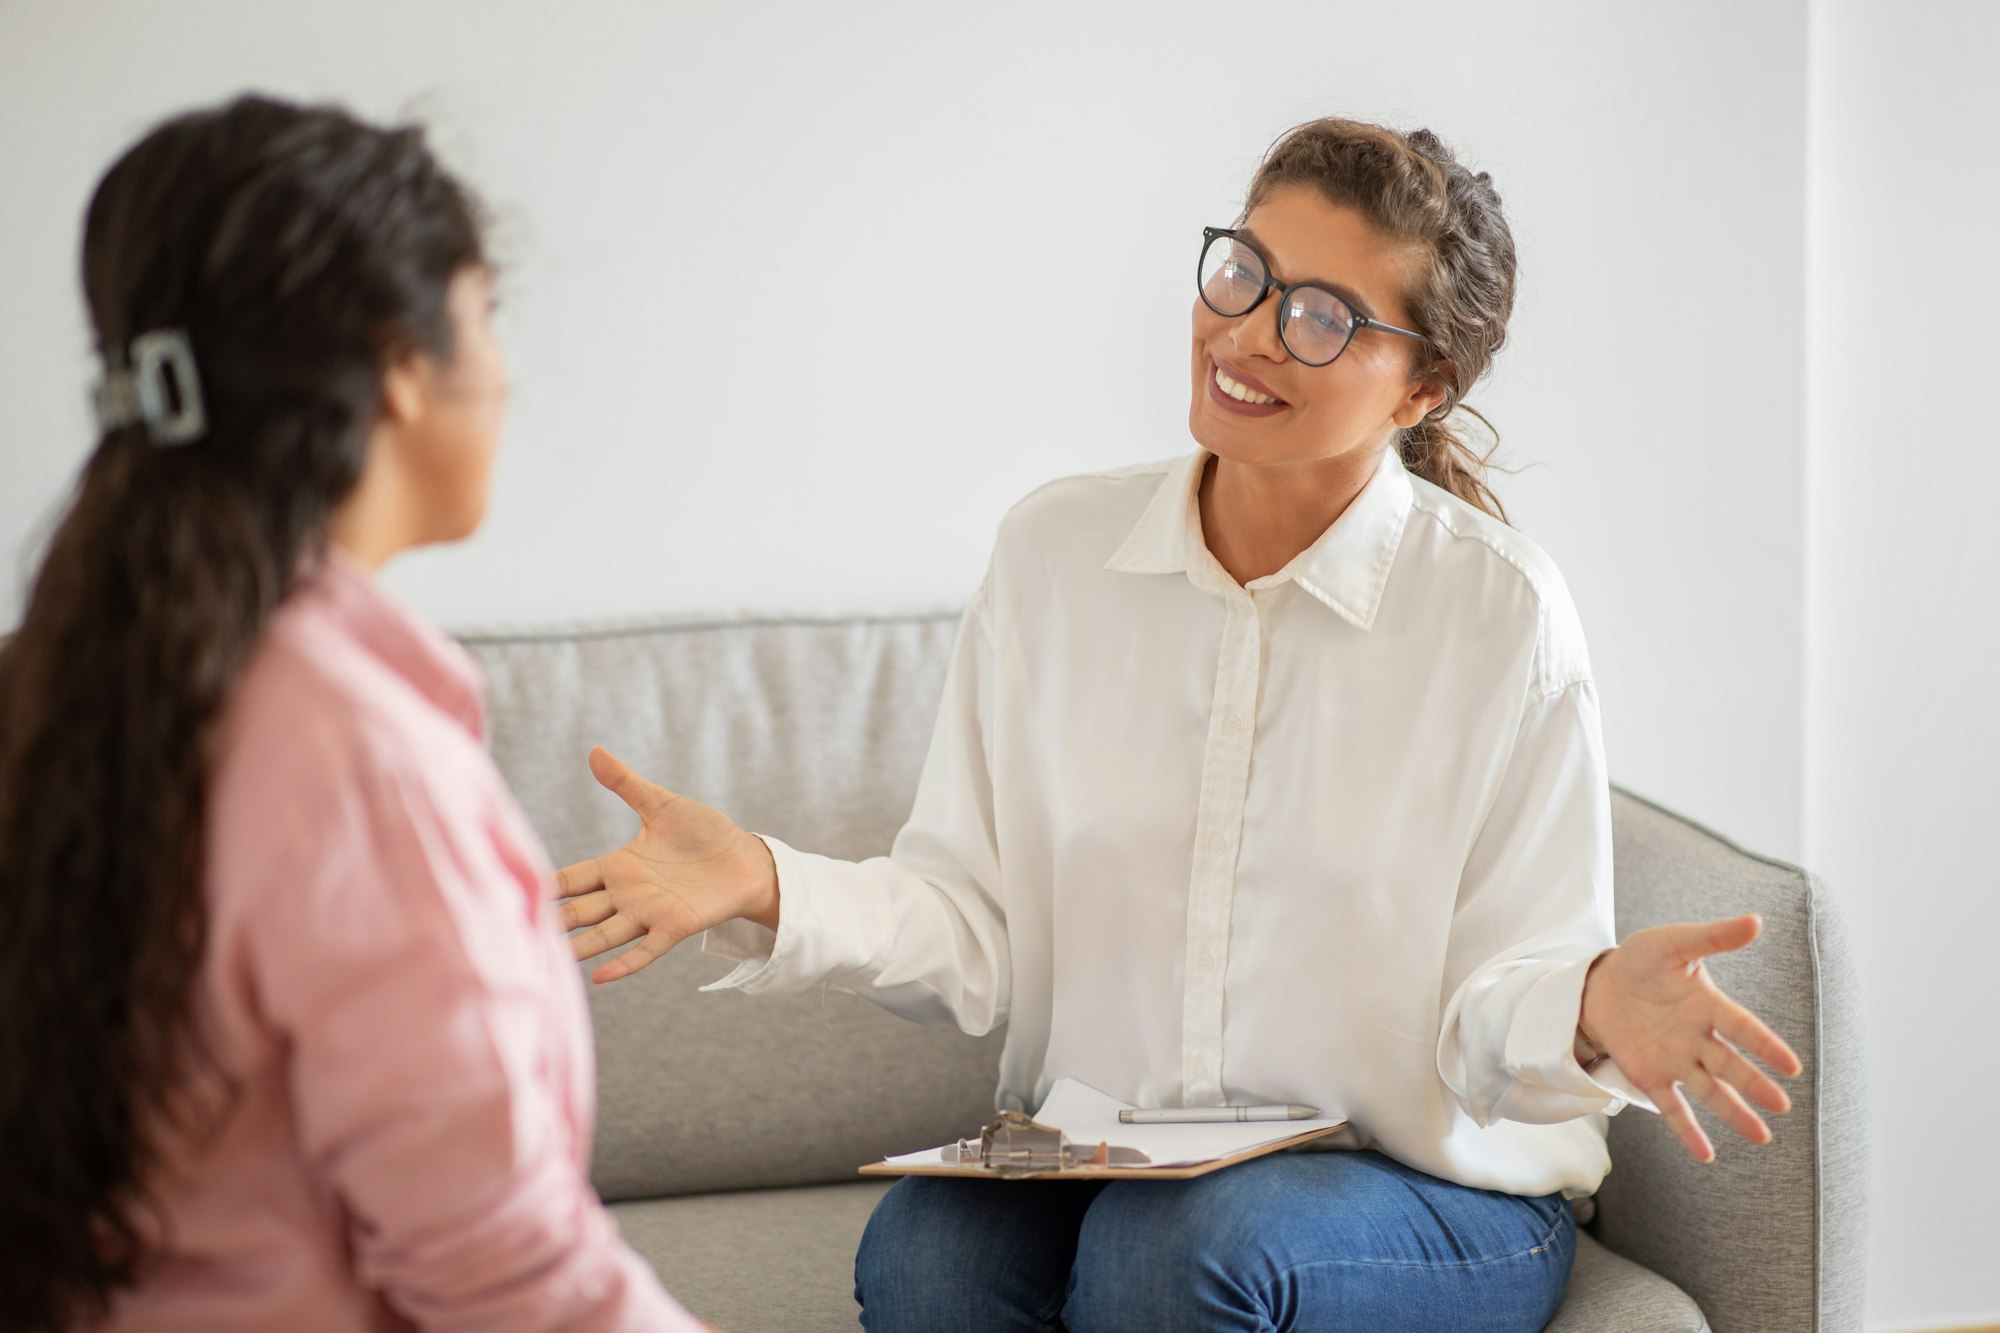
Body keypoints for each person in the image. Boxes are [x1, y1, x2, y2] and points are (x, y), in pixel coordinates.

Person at [556, 118, 1803, 1331]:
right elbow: (974, 929)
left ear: (1423, 385)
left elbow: (1498, 1003)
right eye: (1242, 273)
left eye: (1322, 317)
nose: (1248, 334)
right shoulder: (1054, 555)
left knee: (1183, 1250)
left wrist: (1585, 1007)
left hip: (1427, 1185)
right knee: (930, 1253)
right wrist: (766, 881)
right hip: (1119, 1154)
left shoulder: (1496, 612)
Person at [0, 96, 706, 1332]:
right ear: (397, 368)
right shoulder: (355, 761)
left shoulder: (59, 688)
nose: (503, 373)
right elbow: (509, 1275)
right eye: (485, 320)